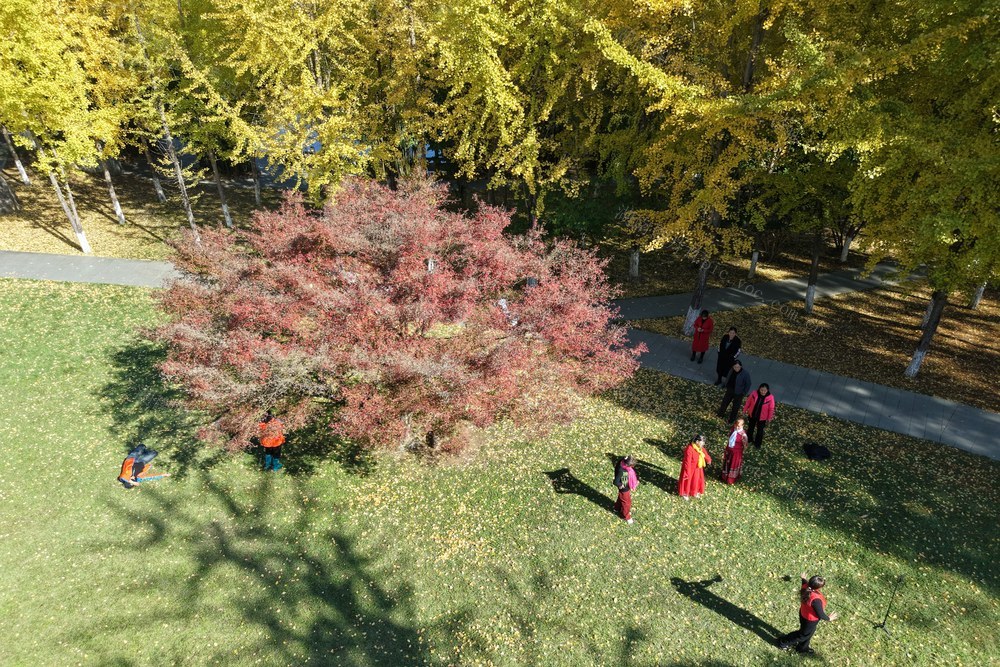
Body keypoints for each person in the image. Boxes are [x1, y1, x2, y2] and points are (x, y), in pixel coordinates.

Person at [777, 572, 839, 655]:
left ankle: (802, 648)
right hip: (810, 620)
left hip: (803, 614)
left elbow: (804, 582)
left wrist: (803, 578)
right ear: (818, 588)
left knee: (809, 633)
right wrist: (829, 618)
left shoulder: (806, 586)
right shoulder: (816, 600)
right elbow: (820, 614)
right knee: (802, 635)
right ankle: (783, 642)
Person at [678, 435, 712, 499]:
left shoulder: (700, 448)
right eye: (702, 442)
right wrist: (687, 471)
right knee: (688, 481)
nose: (703, 443)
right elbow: (687, 461)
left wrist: (708, 459)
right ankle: (685, 493)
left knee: (696, 480)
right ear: (697, 442)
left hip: (698, 468)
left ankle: (694, 491)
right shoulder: (689, 449)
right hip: (690, 469)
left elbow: (705, 454)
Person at [743, 383, 776, 448]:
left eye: (764, 390)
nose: (763, 392)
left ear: (767, 390)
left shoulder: (770, 398)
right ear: (759, 389)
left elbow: (771, 409)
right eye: (761, 390)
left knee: (760, 431)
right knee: (750, 428)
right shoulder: (754, 393)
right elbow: (748, 402)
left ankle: (757, 444)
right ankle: (749, 440)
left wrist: (769, 418)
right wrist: (744, 410)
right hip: (752, 415)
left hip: (762, 418)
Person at [613, 455, 639, 524]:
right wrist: (620, 485)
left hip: (625, 486)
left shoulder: (622, 462)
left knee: (621, 497)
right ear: (627, 464)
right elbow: (615, 481)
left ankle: (617, 508)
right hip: (624, 488)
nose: (632, 467)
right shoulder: (622, 471)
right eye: (631, 466)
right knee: (627, 503)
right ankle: (626, 517)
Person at [721, 419, 747, 485]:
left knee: (733, 464)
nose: (737, 427)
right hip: (729, 450)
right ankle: (724, 476)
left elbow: (745, 445)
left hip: (736, 453)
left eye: (739, 426)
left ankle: (730, 479)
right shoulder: (733, 429)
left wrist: (741, 451)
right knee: (727, 463)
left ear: (742, 426)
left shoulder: (743, 435)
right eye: (736, 425)